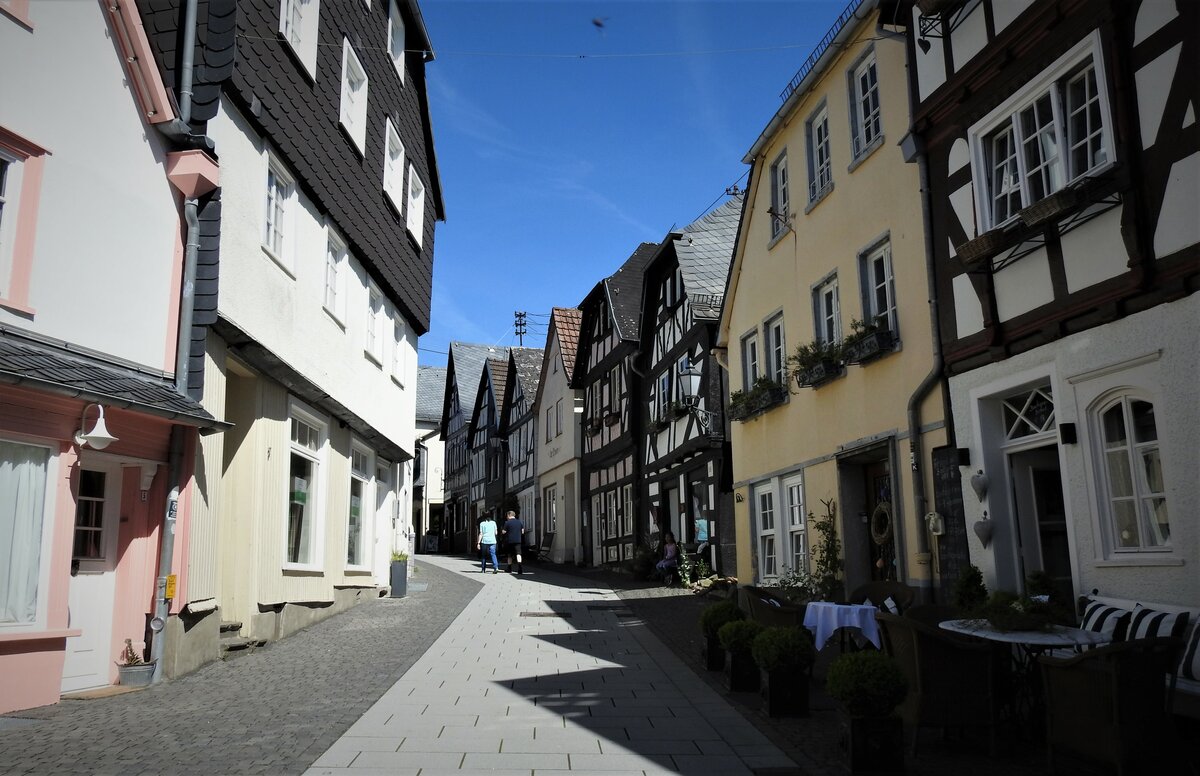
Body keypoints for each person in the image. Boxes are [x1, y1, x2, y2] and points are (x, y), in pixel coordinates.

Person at [502, 510, 525, 575]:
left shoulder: (507, 523)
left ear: (509, 515)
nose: (507, 517)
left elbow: (504, 532)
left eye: (507, 516)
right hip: (518, 540)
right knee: (518, 554)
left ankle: (509, 568)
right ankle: (520, 568)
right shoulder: (519, 522)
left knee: (510, 555)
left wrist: (504, 532)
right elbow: (522, 531)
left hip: (510, 541)